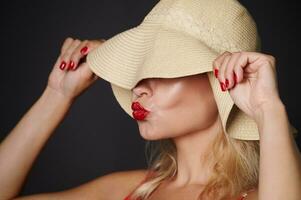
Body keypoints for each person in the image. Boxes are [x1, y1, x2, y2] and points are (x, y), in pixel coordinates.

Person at [1, 0, 300, 200]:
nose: (138, 87)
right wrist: (57, 95)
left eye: (164, 67)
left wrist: (267, 110)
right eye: (142, 68)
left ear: (223, 81)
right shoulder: (129, 190)